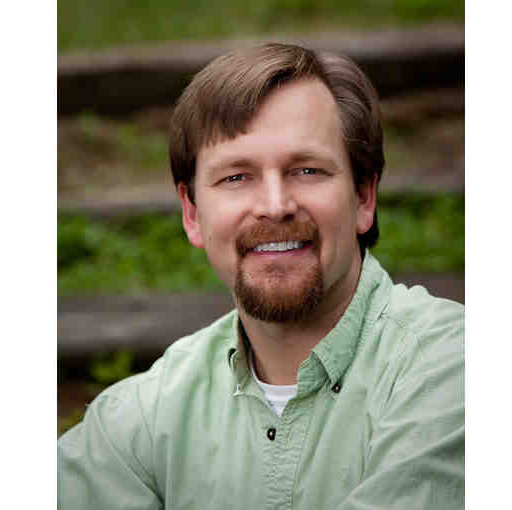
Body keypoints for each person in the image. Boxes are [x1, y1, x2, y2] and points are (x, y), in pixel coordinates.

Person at [58, 43, 464, 509]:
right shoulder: (140, 419)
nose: (274, 205)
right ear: (192, 213)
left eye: (307, 170)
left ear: (363, 197)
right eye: (236, 177)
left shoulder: (449, 369)